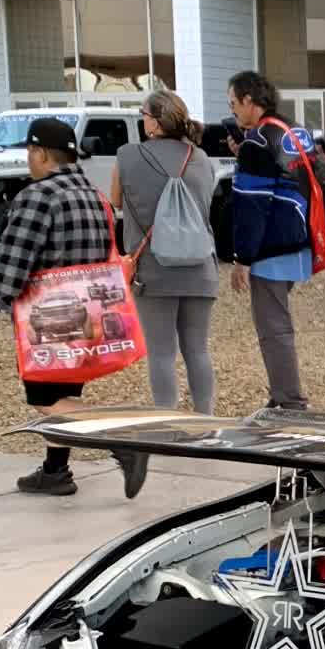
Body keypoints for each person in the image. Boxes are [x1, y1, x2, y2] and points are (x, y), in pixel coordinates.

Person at [0, 117, 113, 497]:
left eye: (30, 152)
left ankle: (122, 442)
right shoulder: (93, 195)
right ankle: (55, 471)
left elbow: (14, 259)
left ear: (41, 154)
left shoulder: (38, 196)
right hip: (87, 312)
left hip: (47, 316)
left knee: (45, 398)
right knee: (66, 393)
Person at [110, 88, 218, 413]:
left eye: (143, 114)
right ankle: (206, 419)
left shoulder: (128, 155)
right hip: (200, 267)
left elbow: (115, 200)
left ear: (155, 122)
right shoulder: (201, 158)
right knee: (198, 350)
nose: (142, 120)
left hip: (152, 270)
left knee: (161, 353)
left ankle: (167, 420)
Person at [227, 69, 314, 410]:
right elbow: (319, 179)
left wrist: (242, 258)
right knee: (277, 321)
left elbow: (251, 205)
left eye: (234, 104)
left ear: (249, 100)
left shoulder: (257, 142)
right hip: (300, 238)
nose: (233, 111)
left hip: (269, 248)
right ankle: (283, 396)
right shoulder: (295, 132)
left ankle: (289, 402)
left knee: (273, 327)